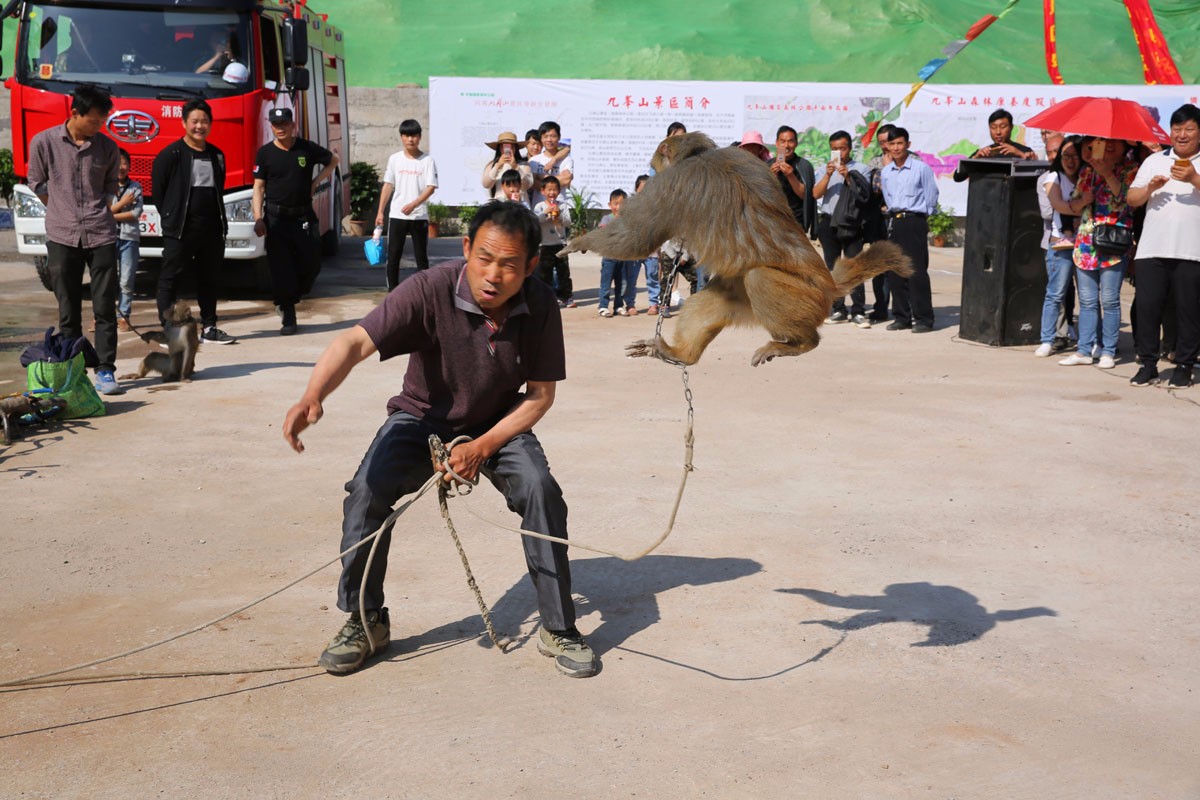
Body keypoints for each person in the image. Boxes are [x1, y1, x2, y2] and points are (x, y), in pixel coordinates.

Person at [283, 201, 597, 679]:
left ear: (531, 265)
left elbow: (538, 397)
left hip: (497, 422)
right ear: (467, 248)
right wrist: (313, 393)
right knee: (366, 491)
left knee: (540, 490)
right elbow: (355, 341)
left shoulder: (540, 305)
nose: (494, 275)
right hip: (420, 417)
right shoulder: (429, 290)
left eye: (510, 265)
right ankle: (364, 620)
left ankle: (558, 626)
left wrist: (483, 446)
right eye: (485, 258)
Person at [27, 85, 124, 395]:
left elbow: (110, 187)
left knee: (105, 306)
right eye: (94, 120)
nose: (98, 126)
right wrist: (60, 209)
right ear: (75, 114)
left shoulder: (107, 148)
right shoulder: (44, 142)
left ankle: (106, 370)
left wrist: (97, 210)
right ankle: (74, 369)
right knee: (68, 307)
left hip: (101, 233)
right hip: (61, 234)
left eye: (102, 121)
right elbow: (37, 182)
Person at [1126, 103, 1200, 388]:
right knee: (1147, 308)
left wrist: (1193, 178)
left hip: (1191, 250)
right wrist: (1150, 189)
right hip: (1152, 249)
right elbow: (1132, 199)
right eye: (1177, 129)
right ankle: (1147, 364)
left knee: (1189, 311)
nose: (1182, 135)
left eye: (1189, 129)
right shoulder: (1154, 160)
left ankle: (1184, 366)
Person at [152, 98, 236, 344]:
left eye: (204, 122)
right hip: (180, 229)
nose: (200, 126)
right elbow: (160, 193)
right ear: (184, 123)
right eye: (195, 121)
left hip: (211, 228)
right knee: (171, 277)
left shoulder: (216, 155)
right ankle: (169, 328)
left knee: (210, 278)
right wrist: (171, 217)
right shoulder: (171, 155)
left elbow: (218, 189)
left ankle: (209, 327)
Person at [252, 107, 339, 335]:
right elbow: (258, 188)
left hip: (302, 216)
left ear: (293, 125)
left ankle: (293, 295)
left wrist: (315, 182)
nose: (280, 128)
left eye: (284, 124)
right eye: (276, 124)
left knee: (312, 261)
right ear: (271, 127)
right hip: (275, 217)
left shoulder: (306, 149)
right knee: (281, 268)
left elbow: (333, 160)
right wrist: (258, 218)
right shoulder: (265, 154)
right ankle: (287, 313)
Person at [1057, 137, 1137, 370]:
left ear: (1125, 146)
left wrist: (1108, 173)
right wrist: (1085, 198)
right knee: (1088, 300)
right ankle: (1084, 350)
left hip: (1113, 241)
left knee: (1110, 299)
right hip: (1086, 242)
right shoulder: (1088, 170)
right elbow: (1074, 203)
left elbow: (1126, 200)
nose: (1108, 145)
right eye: (1103, 142)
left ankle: (1109, 351)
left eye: (1114, 142)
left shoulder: (1131, 169)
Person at [880, 127, 939, 332]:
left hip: (914, 221)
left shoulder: (920, 168)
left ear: (908, 145)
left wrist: (923, 216)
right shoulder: (886, 171)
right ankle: (901, 317)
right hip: (895, 221)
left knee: (916, 271)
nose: (896, 148)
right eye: (892, 144)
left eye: (900, 143)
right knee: (896, 271)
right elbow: (888, 197)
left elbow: (931, 194)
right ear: (886, 146)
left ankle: (923, 318)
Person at [813, 130, 873, 327]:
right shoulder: (824, 169)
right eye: (835, 149)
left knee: (855, 267)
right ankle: (838, 309)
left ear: (849, 148)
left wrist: (848, 177)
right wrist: (829, 175)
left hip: (852, 223)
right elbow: (816, 194)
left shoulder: (861, 169)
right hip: (828, 222)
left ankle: (858, 311)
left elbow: (864, 195)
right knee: (832, 267)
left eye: (842, 148)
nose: (839, 152)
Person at [1034, 135, 1083, 358]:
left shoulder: (1087, 177)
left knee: (1089, 297)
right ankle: (1047, 338)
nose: (1070, 160)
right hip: (1059, 242)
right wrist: (1079, 206)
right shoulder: (1052, 177)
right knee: (1055, 293)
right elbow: (1055, 208)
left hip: (1086, 242)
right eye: (1065, 156)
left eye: (1074, 156)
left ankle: (1090, 341)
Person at [375, 119, 438, 291]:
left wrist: (414, 203)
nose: (410, 139)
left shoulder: (427, 161)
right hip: (397, 214)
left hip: (419, 215)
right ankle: (392, 292)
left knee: (421, 258)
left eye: (414, 136)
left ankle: (423, 293)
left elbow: (431, 187)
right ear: (401, 137)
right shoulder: (394, 159)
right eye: (407, 135)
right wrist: (380, 212)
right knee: (393, 256)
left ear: (420, 137)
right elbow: (388, 185)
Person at [864, 123, 898, 321]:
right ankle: (881, 308)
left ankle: (906, 309)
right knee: (880, 266)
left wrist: (889, 170)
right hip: (879, 220)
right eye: (882, 143)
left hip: (903, 220)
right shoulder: (875, 161)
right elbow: (873, 190)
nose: (886, 146)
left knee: (904, 264)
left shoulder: (913, 160)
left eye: (889, 141)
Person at [110, 149, 143, 332]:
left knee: (126, 280)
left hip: (129, 238)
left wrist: (110, 214)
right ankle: (102, 316)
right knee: (106, 280)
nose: (121, 167)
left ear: (129, 166)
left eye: (124, 163)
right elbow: (101, 212)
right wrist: (122, 204)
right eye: (117, 163)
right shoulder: (105, 186)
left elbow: (135, 213)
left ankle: (123, 315)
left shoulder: (135, 187)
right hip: (107, 238)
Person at [954, 109, 1037, 181]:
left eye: (1003, 127)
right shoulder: (983, 153)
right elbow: (957, 177)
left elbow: (1035, 177)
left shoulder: (1024, 151)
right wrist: (975, 158)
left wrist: (1019, 154)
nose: (998, 132)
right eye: (993, 127)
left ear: (1011, 127)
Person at [532, 175, 575, 307]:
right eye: (549, 190)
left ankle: (566, 297)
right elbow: (535, 221)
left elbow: (568, 223)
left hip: (560, 243)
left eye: (555, 190)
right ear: (542, 191)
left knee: (563, 272)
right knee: (545, 274)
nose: (552, 193)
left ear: (559, 191)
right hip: (544, 245)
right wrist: (546, 214)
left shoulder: (563, 205)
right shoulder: (539, 206)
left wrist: (559, 215)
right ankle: (547, 298)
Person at [597, 189, 639, 316]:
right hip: (609, 258)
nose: (618, 207)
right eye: (615, 203)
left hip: (623, 257)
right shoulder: (606, 219)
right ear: (610, 205)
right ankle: (603, 306)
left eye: (622, 204)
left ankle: (618, 306)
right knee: (606, 282)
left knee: (621, 283)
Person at [768, 126, 817, 238]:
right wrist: (771, 177)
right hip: (772, 221)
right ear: (776, 143)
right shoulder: (767, 165)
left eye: (790, 141)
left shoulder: (804, 165)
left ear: (796, 143)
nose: (786, 145)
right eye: (783, 141)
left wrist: (791, 176)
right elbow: (761, 196)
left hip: (795, 222)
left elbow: (806, 196)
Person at [634, 174, 662, 315]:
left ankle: (653, 304)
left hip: (651, 249)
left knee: (652, 277)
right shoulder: (631, 206)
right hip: (635, 250)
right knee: (630, 278)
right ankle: (630, 304)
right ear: (636, 189)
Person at [528, 121, 574, 207]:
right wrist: (558, 180)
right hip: (538, 207)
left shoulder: (566, 159)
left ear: (559, 137)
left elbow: (566, 180)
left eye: (553, 136)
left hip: (560, 206)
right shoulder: (534, 160)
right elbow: (532, 183)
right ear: (541, 139)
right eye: (545, 136)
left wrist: (541, 177)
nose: (549, 140)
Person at [482, 131, 533, 202]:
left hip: (519, 205)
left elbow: (527, 185)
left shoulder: (524, 165)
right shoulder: (492, 165)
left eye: (511, 147)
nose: (508, 150)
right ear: (499, 148)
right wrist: (497, 166)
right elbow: (486, 184)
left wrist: (516, 167)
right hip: (499, 206)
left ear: (515, 148)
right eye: (505, 147)